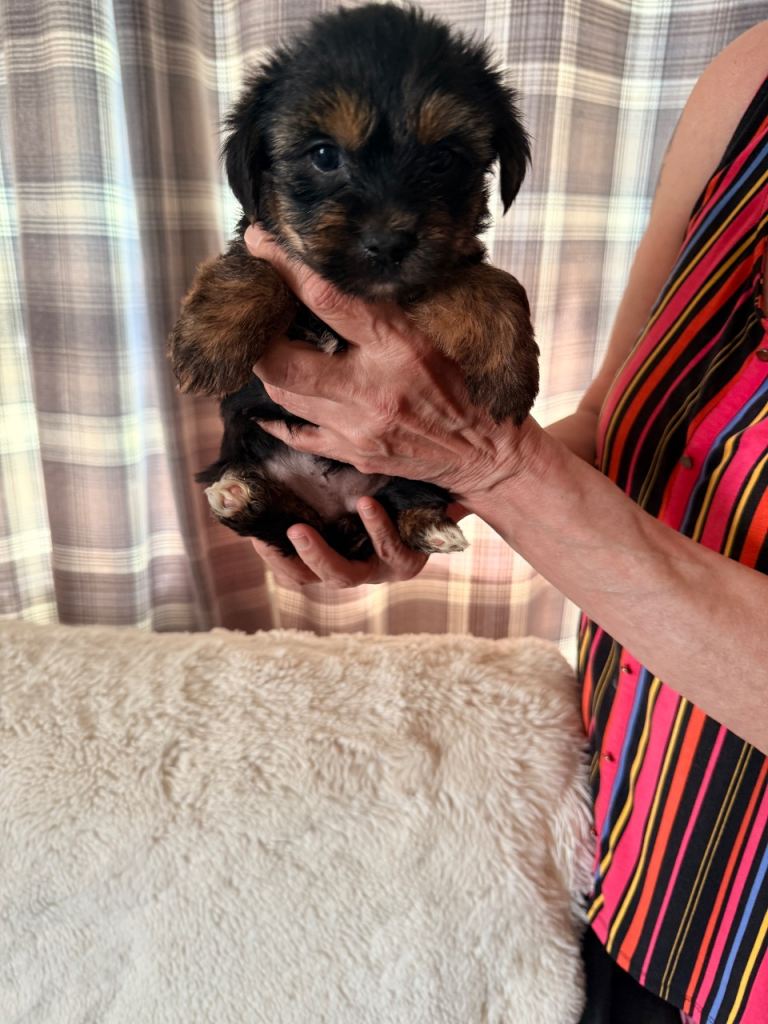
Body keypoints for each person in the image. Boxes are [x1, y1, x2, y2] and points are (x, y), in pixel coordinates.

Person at [238, 22, 768, 1024]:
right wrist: (399, 490)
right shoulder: (749, 76)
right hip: (646, 848)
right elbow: (616, 415)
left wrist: (482, 462)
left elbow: (505, 457)